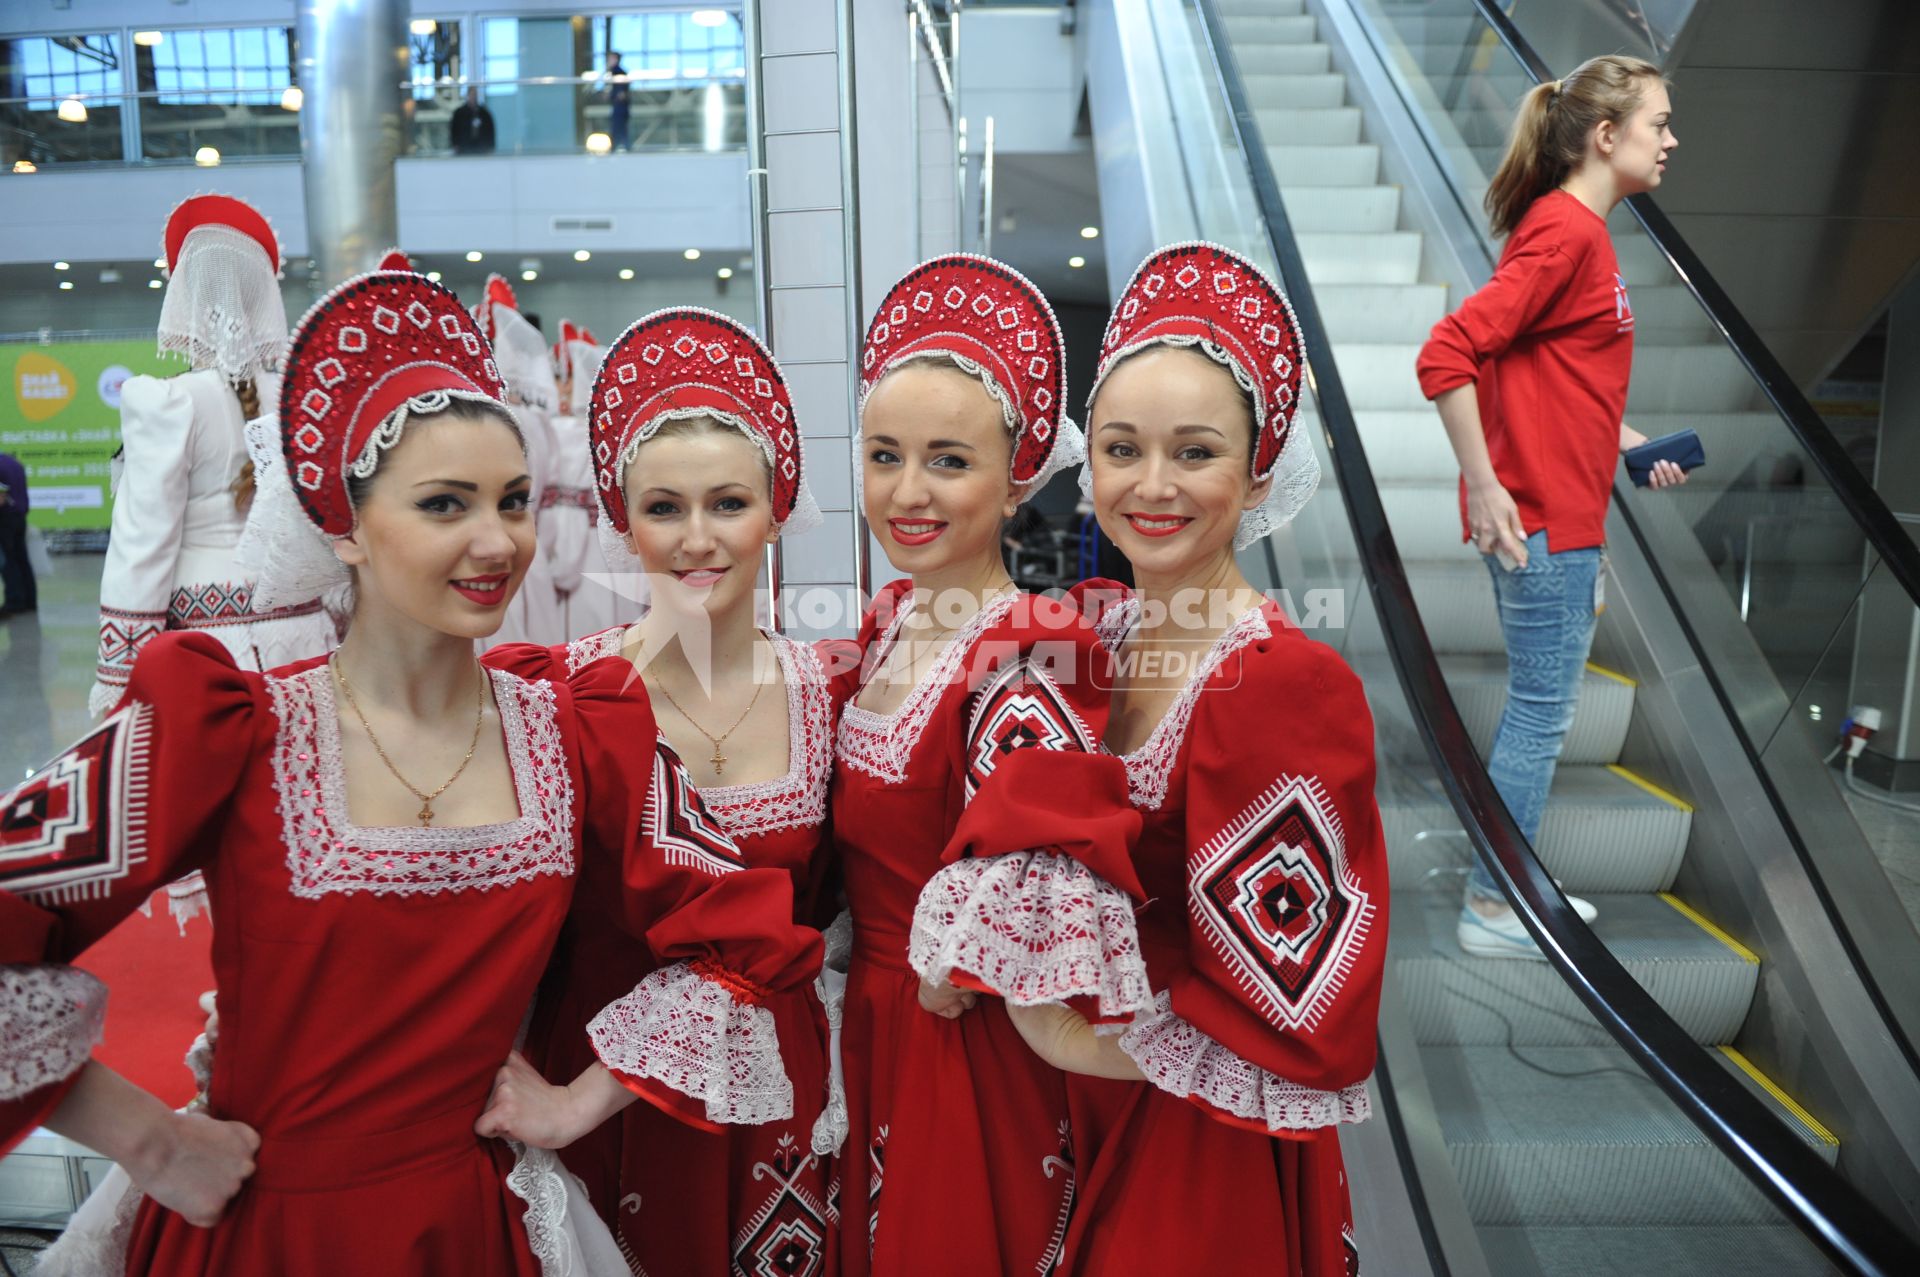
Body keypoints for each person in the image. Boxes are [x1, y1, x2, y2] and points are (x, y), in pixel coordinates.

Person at [0, 268, 815, 1275]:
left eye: (514, 501)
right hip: (265, 1229)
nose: (496, 541)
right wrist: (149, 1138)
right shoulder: (228, 727)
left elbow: (745, 933)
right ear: (344, 528)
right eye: (444, 503)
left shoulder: (575, 729)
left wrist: (577, 1101)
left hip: (473, 1224)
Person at [913, 242, 1386, 1275]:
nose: (1152, 484)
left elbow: (1292, 998)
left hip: (1192, 1140)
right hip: (1073, 1112)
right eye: (1123, 448)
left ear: (1260, 465)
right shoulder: (1096, 630)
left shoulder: (1281, 681)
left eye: (1196, 451)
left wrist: (1063, 1032)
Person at [477, 307, 842, 1277]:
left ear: (778, 507)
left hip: (778, 1102)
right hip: (597, 1103)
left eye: (728, 503)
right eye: (663, 508)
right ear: (620, 518)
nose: (696, 539)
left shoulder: (832, 690)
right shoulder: (555, 695)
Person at [832, 254, 1142, 1276]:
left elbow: (1034, 892)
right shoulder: (886, 622)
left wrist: (956, 959)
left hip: (962, 1047)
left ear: (1017, 480)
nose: (907, 491)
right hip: (875, 1024)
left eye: (948, 461)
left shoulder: (1031, 643)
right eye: (884, 455)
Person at [1414, 55, 1687, 959]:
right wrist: (1488, 485)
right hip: (1540, 518)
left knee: (1542, 712)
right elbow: (1446, 354)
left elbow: (1561, 375)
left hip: (1559, 510)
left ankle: (1509, 885)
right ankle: (1496, 904)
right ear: (1606, 137)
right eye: (1659, 123)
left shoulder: (1573, 234)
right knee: (1540, 715)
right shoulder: (1567, 234)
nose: (1671, 139)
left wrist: (1630, 443)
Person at [89, 194, 334, 717]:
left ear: (186, 292)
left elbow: (143, 546)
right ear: (262, 292)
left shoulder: (168, 400)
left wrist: (120, 679)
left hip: (205, 652)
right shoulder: (302, 399)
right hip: (309, 644)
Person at [0, 449, 34, 617]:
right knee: (22, 558)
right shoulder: (14, 463)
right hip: (19, 516)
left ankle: (14, 601)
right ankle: (29, 600)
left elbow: (1, 496)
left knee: (8, 560)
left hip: (5, 518)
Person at [451, 85, 497, 155]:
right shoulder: (459, 113)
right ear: (468, 96)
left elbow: (490, 130)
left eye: (475, 95)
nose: (474, 97)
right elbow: (454, 130)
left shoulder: (484, 113)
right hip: (464, 148)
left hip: (481, 148)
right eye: (472, 95)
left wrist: (490, 146)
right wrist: (455, 144)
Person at [603, 52, 630, 151]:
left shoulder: (619, 73)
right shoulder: (611, 73)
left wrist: (615, 95)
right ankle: (621, 147)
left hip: (620, 107)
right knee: (619, 128)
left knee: (619, 127)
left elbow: (621, 94)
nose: (608, 61)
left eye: (610, 59)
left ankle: (619, 148)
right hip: (618, 106)